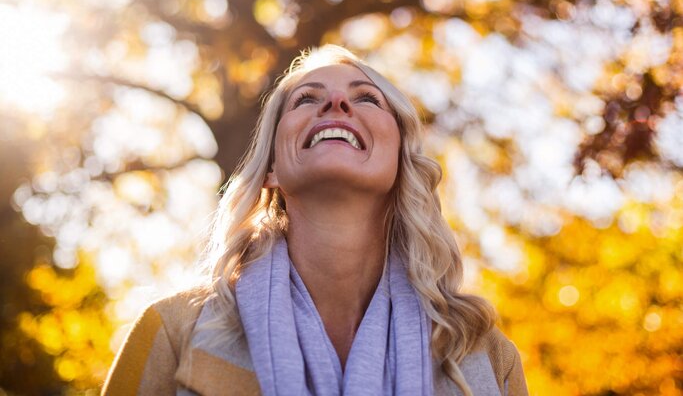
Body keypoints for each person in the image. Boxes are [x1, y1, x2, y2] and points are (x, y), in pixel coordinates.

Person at [102, 44, 528, 396]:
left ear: (401, 161)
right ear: (270, 168)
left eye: (366, 97)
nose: (336, 102)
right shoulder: (174, 332)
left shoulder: (485, 357)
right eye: (306, 98)